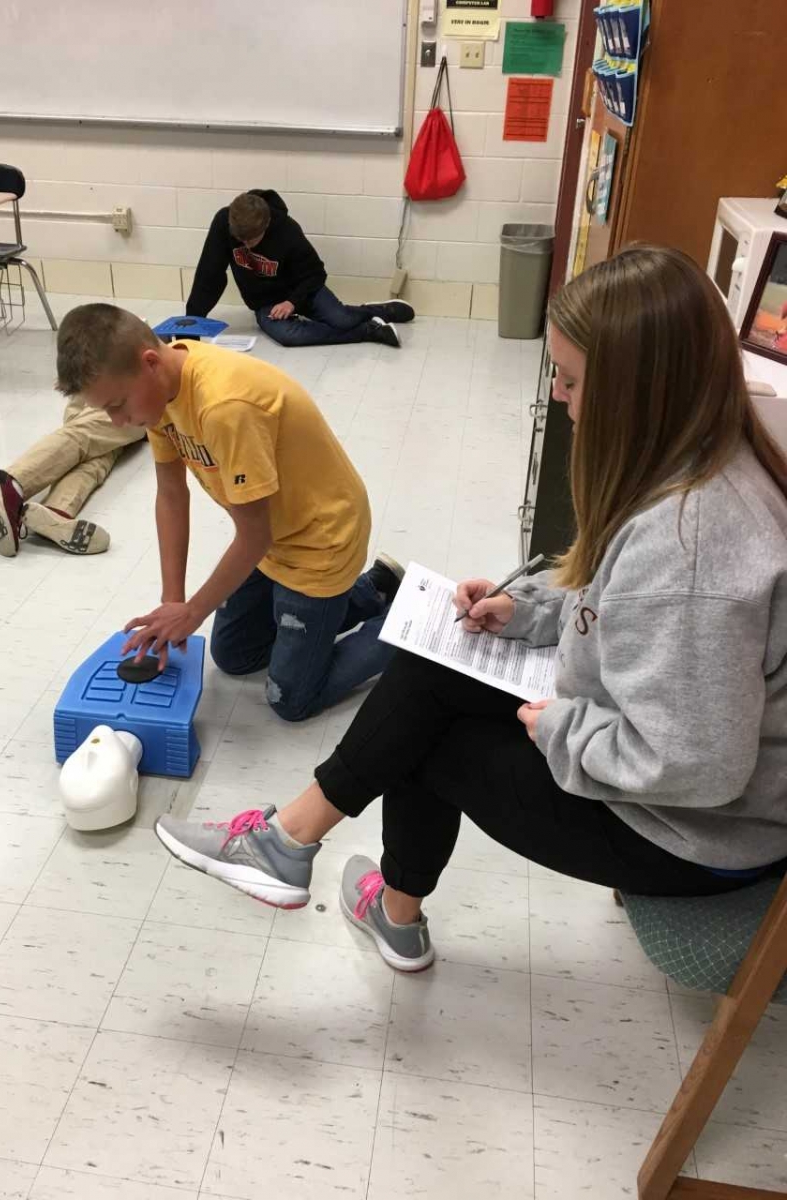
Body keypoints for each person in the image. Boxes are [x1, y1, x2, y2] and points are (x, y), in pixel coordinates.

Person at [153, 245, 787, 973]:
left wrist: (562, 727)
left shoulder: (691, 546)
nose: (559, 398)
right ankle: (294, 846)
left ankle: (341, 880)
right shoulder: (693, 462)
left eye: (573, 381)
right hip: (662, 768)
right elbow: (614, 599)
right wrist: (525, 611)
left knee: (420, 742)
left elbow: (698, 768)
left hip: (694, 835)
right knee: (433, 667)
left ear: (638, 393)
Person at [55, 302, 403, 721]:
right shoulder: (159, 393)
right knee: (234, 655)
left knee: (289, 699)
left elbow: (254, 535)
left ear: (149, 363)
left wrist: (193, 611)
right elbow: (170, 494)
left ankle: (412, 627)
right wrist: (173, 602)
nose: (115, 422)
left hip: (320, 540)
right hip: (274, 538)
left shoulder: (223, 406)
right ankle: (376, 587)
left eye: (116, 405)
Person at [185, 189, 415, 350]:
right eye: (239, 239)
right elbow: (209, 274)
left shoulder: (287, 230)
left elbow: (316, 273)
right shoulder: (223, 222)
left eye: (251, 240)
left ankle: (376, 311)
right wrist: (191, 325)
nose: (244, 245)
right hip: (267, 303)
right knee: (289, 336)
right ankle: (368, 331)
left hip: (303, 290)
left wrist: (292, 302)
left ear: (266, 225)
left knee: (341, 319)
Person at [0, 397, 145, 556]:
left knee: (98, 452)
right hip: (126, 381)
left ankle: (55, 511)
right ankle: (12, 484)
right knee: (93, 429)